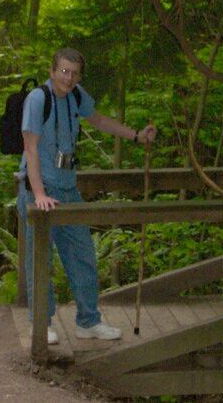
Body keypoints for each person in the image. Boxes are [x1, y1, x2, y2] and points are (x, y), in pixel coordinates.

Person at [17, 47, 157, 344]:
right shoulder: (38, 99)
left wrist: (136, 136)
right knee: (40, 260)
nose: (68, 78)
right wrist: (39, 193)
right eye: (63, 71)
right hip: (39, 190)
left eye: (74, 73)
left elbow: (99, 120)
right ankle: (41, 323)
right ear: (52, 71)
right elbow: (30, 148)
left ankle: (88, 321)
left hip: (68, 190)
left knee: (83, 256)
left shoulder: (76, 96)